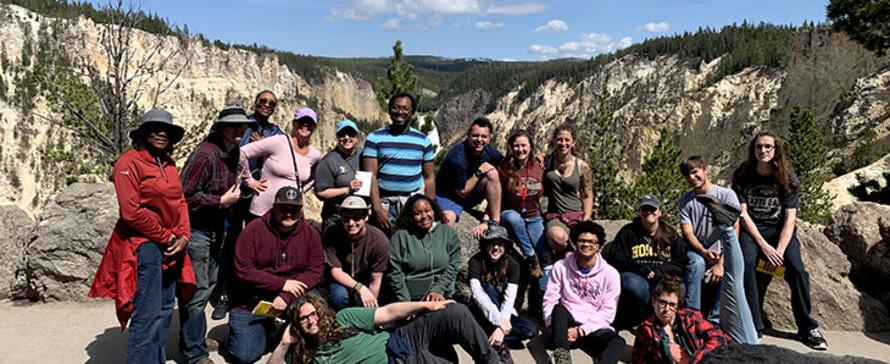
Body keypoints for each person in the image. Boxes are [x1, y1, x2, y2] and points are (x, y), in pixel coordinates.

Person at [89, 108, 195, 364]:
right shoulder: (128, 163)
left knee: (164, 311)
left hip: (172, 245)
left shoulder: (168, 165)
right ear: (144, 133)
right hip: (144, 245)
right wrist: (167, 237)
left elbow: (180, 201)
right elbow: (131, 212)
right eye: (155, 128)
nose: (161, 133)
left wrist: (184, 236)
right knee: (147, 313)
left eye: (167, 130)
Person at [731, 131, 828, 350]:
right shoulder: (743, 174)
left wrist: (780, 250)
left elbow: (790, 218)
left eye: (768, 147)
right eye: (759, 147)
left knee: (796, 269)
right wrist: (763, 245)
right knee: (746, 264)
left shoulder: (787, 176)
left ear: (776, 150)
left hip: (779, 231)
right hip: (753, 231)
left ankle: (807, 327)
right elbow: (743, 214)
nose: (763, 151)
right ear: (753, 150)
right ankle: (754, 325)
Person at [177, 106, 252, 364]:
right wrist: (221, 200)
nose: (238, 130)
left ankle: (193, 338)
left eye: (242, 125)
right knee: (196, 294)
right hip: (198, 230)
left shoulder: (233, 152)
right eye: (232, 125)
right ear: (220, 127)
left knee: (207, 288)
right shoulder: (205, 155)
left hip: (217, 230)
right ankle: (194, 354)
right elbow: (185, 196)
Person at [227, 186, 324, 363]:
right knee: (244, 355)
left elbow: (315, 271)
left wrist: (285, 295)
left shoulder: (311, 234)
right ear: (274, 207)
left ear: (301, 209)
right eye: (283, 208)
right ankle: (265, 326)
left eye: (294, 208)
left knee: (318, 317)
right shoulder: (253, 230)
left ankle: (284, 329)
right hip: (251, 299)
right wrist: (282, 284)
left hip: (292, 296)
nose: (288, 213)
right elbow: (243, 269)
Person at [267, 295, 501, 364]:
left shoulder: (343, 317)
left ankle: (493, 361)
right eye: (303, 319)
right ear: (297, 325)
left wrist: (425, 305)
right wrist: (284, 343)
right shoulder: (308, 356)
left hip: (400, 337)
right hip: (398, 362)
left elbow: (388, 312)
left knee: (455, 312)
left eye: (312, 314)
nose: (310, 320)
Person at [679, 156, 758, 344]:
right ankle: (693, 317)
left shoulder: (726, 195)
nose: (692, 177)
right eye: (687, 175)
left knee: (729, 273)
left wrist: (721, 262)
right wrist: (704, 252)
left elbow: (734, 228)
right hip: (698, 250)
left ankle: (716, 321)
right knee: (696, 263)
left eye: (695, 171)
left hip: (723, 248)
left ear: (705, 170)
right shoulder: (686, 200)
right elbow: (687, 232)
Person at [542, 221, 623, 364]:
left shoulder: (611, 274)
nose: (586, 245)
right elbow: (550, 298)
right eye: (582, 241)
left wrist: (581, 331)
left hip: (593, 328)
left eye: (592, 242)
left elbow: (608, 312)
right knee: (558, 309)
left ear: (598, 246)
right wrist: (551, 325)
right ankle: (562, 356)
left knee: (618, 342)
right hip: (567, 327)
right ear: (574, 243)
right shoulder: (560, 267)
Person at [606, 194, 687, 331]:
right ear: (639, 212)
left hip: (662, 276)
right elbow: (617, 259)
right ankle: (643, 318)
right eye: (645, 210)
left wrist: (660, 271)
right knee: (631, 283)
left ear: (659, 211)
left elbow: (680, 261)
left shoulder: (669, 233)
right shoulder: (628, 232)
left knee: (680, 288)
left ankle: (665, 320)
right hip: (638, 276)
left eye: (652, 209)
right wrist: (642, 269)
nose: (649, 213)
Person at [362, 92, 436, 234]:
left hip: (412, 203)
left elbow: (429, 177)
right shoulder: (374, 138)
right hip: (384, 201)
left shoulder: (423, 141)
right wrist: (377, 209)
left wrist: (428, 207)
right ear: (389, 110)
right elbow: (370, 176)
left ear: (412, 113)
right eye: (396, 108)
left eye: (405, 108)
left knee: (411, 244)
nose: (400, 112)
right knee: (384, 244)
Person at [468, 224, 538, 363]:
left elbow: (509, 297)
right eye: (492, 243)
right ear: (485, 244)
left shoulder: (512, 265)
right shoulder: (476, 261)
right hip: (481, 310)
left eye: (500, 244)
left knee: (530, 330)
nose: (496, 248)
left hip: (503, 312)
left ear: (506, 247)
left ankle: (490, 336)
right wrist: (499, 322)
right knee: (488, 288)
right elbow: (477, 294)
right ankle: (501, 347)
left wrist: (501, 327)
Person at [538, 123, 594, 295]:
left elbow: (587, 194)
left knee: (573, 252)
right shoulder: (548, 162)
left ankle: (570, 259)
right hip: (556, 215)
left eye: (567, 140)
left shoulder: (582, 166)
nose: (563, 143)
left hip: (576, 213)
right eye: (559, 139)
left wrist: (586, 219)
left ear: (573, 143)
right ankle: (571, 251)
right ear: (554, 141)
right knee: (558, 237)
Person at [239, 107, 322, 218]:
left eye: (310, 123)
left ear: (314, 127)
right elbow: (242, 153)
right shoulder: (278, 141)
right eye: (301, 121)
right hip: (263, 211)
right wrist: (249, 181)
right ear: (294, 123)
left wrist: (301, 189)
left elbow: (314, 177)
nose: (305, 125)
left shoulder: (315, 154)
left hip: (292, 213)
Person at [631, 276, 731, 364]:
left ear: (678, 306)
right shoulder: (646, 329)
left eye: (672, 305)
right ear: (653, 301)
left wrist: (696, 360)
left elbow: (718, 337)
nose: (666, 309)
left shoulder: (689, 317)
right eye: (662, 302)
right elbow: (637, 359)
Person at [387, 194, 460, 302]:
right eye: (418, 213)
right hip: (410, 299)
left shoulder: (447, 233)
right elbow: (394, 272)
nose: (424, 216)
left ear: (433, 211)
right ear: (410, 216)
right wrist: (405, 301)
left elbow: (453, 266)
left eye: (427, 210)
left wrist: (438, 290)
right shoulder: (401, 236)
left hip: (441, 296)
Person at [435, 117, 503, 230]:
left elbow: (508, 165)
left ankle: (495, 222)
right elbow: (462, 192)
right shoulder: (457, 158)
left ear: (489, 138)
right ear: (468, 136)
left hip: (470, 194)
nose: (479, 140)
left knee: (493, 174)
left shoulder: (490, 152)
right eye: (475, 135)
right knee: (448, 219)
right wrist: (479, 172)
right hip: (448, 196)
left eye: (484, 136)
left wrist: (536, 160)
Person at [323, 196, 389, 311]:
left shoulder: (379, 240)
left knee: (365, 302)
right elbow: (335, 271)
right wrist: (359, 287)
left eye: (357, 218)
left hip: (366, 280)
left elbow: (375, 280)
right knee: (339, 296)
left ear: (366, 217)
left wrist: (370, 307)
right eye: (346, 219)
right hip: (341, 281)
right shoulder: (332, 233)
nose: (351, 223)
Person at [497, 129, 545, 277]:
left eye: (524, 145)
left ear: (531, 147)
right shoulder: (503, 167)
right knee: (514, 219)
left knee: (544, 254)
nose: (520, 150)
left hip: (533, 216)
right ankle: (529, 255)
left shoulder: (540, 165)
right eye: (516, 146)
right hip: (511, 212)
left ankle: (544, 293)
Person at [315, 120, 363, 232]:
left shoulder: (364, 155)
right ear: (337, 137)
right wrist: (347, 189)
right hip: (336, 219)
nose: (347, 137)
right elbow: (320, 192)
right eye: (342, 134)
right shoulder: (328, 161)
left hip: (360, 219)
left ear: (357, 136)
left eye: (350, 133)